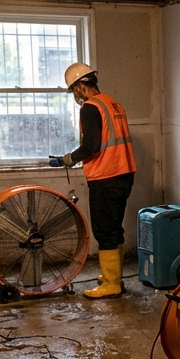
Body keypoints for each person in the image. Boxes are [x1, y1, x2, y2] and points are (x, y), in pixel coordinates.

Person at [50, 63, 137, 298]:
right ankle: (114, 276)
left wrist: (66, 159)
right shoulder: (113, 103)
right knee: (114, 227)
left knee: (104, 229)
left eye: (73, 90)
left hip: (106, 176)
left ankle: (111, 284)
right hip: (125, 173)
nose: (75, 96)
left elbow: (91, 146)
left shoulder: (90, 108)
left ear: (80, 86)